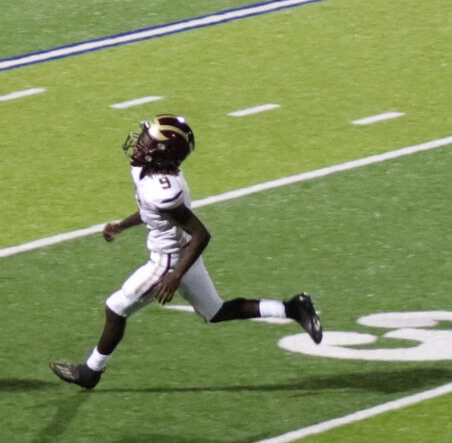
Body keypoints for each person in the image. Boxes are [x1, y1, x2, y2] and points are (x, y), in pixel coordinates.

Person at [51, 115, 322, 389]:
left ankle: (91, 372)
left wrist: (174, 276)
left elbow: (201, 235)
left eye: (147, 140)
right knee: (215, 311)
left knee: (116, 307)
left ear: (161, 151)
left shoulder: (161, 190)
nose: (139, 142)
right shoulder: (151, 174)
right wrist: (122, 225)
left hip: (168, 260)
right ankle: (292, 308)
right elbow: (151, 211)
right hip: (183, 254)